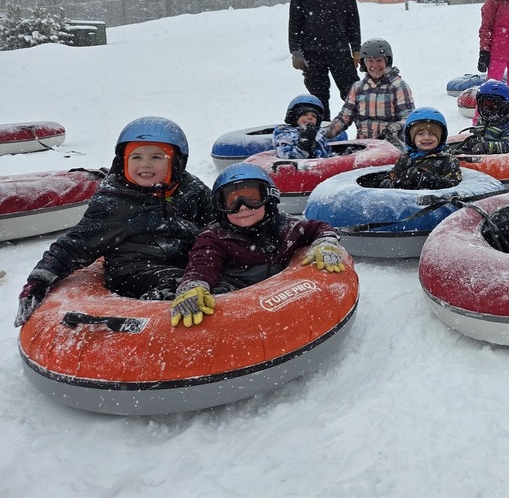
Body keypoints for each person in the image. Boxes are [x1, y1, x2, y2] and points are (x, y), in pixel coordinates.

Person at [14, 117, 216, 327]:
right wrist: (38, 281)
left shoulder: (190, 188)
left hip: (186, 260)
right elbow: (75, 245)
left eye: (157, 157)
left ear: (176, 162)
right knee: (175, 283)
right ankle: (160, 320)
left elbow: (216, 220)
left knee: (219, 275)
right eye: (136, 157)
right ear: (123, 161)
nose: (145, 164)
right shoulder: (114, 202)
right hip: (136, 270)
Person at [170, 163, 347, 327]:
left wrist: (326, 242)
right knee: (219, 297)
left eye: (252, 199)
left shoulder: (285, 228)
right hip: (237, 302)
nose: (242, 207)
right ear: (220, 208)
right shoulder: (214, 238)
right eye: (231, 203)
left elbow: (318, 228)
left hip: (284, 293)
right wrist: (194, 284)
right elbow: (202, 263)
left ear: (269, 199)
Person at [289, 0, 362, 118]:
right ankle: (323, 130)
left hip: (340, 51)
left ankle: (364, 128)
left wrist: (356, 49)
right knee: (319, 99)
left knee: (354, 96)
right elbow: (295, 23)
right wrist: (296, 51)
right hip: (312, 53)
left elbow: (353, 23)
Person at [324, 38, 415, 147]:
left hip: (390, 145)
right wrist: (324, 133)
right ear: (364, 63)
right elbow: (344, 118)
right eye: (370, 61)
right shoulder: (358, 88)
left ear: (387, 62)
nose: (375, 66)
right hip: (364, 146)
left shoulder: (398, 86)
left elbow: (408, 118)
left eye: (379, 61)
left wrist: (394, 129)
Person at [378, 107, 463, 190]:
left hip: (435, 199)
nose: (426, 138)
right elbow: (387, 182)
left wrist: (431, 181)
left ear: (441, 137)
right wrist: (401, 182)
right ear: (411, 138)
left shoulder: (447, 160)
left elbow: (454, 183)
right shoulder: (405, 159)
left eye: (432, 133)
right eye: (420, 134)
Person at [455, 79, 509, 154]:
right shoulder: (482, 121)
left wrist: (486, 147)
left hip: (497, 159)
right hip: (480, 157)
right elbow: (477, 137)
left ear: (505, 107)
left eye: (492, 106)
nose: (486, 110)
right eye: (484, 105)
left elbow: (508, 146)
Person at [273, 94, 331, 159]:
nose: (310, 118)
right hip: (301, 165)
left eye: (314, 116)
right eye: (305, 114)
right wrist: (305, 143)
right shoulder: (285, 134)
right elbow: (286, 156)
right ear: (295, 117)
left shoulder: (319, 134)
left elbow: (326, 154)